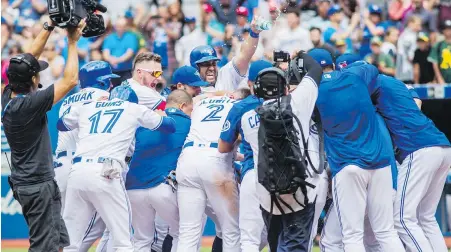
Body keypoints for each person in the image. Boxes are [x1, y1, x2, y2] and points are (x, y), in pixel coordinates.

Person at [1, 19, 86, 252]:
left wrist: (49, 27)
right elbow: (69, 80)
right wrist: (71, 41)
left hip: (30, 183)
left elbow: (26, 57)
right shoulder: (29, 104)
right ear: (33, 80)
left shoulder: (8, 96)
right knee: (43, 248)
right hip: (38, 186)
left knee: (57, 244)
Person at [57, 88, 176, 252]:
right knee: (123, 241)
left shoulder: (88, 107)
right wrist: (163, 116)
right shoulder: (132, 108)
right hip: (106, 172)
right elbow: (169, 126)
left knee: (71, 242)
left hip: (77, 172)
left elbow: (61, 124)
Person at [309, 48, 405, 252]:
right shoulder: (354, 75)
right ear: (333, 65)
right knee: (386, 232)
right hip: (380, 165)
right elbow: (370, 68)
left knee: (352, 235)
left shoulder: (313, 90)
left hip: (348, 165)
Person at [227, 52, 322, 252]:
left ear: (257, 90)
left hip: (267, 193)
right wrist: (300, 55)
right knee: (295, 245)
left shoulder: (247, 118)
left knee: (276, 243)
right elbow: (315, 70)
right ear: (286, 88)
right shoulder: (298, 102)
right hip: (300, 189)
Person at [54, 61, 120, 252]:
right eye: (107, 80)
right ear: (99, 82)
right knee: (111, 223)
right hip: (85, 166)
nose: (111, 84)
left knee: (68, 232)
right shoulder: (104, 96)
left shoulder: (68, 100)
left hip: (62, 167)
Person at [176, 88, 251, 252]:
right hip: (216, 160)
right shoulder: (240, 105)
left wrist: (217, 93)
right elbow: (233, 139)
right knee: (232, 230)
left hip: (188, 158)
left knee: (188, 231)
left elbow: (193, 99)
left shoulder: (201, 102)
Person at [126, 90, 195, 252]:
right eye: (191, 109)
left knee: (142, 239)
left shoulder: (146, 122)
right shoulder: (190, 124)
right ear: (183, 105)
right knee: (183, 233)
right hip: (162, 185)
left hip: (133, 186)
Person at [218, 60, 272, 252]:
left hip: (253, 172)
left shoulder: (242, 107)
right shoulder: (288, 102)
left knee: (249, 238)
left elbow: (223, 146)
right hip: (284, 174)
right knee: (280, 235)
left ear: (250, 83)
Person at [189, 15, 266, 91]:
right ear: (195, 68)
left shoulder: (225, 74)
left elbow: (244, 56)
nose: (212, 68)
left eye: (213, 63)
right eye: (206, 64)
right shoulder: (191, 90)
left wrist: (254, 33)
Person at [102, 17, 139, 86]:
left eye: (122, 26)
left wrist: (116, 60)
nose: (120, 28)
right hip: (111, 72)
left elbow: (129, 53)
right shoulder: (109, 38)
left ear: (126, 27)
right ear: (115, 26)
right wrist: (111, 60)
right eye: (118, 26)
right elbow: (105, 53)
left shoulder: (131, 37)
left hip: (126, 72)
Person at [396, 15, 422, 84]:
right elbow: (407, 53)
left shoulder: (411, 34)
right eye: (417, 25)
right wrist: (414, 62)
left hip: (407, 69)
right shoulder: (408, 35)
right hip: (406, 69)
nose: (419, 28)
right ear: (410, 23)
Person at [428, 19, 451, 84]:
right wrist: (439, 79)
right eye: (446, 29)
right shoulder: (438, 45)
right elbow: (435, 64)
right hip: (443, 80)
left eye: (450, 29)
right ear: (443, 31)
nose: (448, 31)